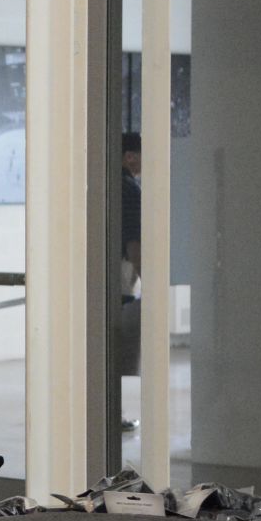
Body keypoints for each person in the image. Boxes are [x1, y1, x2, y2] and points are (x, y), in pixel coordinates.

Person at [119, 132, 143, 429]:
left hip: (99, 277)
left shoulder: (101, 185)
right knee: (117, 347)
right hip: (119, 277)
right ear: (130, 156)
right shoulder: (129, 189)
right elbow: (134, 243)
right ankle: (112, 412)